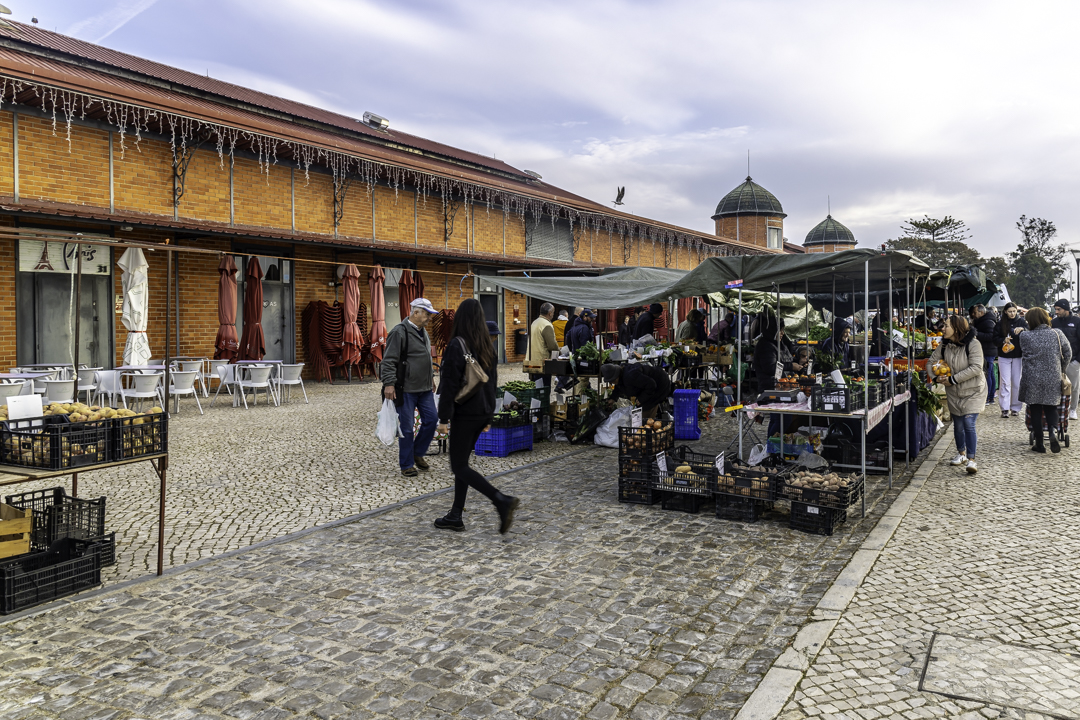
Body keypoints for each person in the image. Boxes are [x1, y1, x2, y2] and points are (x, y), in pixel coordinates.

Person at [433, 298, 519, 533]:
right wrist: (489, 416)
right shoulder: (486, 347)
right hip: (481, 413)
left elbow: (449, 385)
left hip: (465, 413)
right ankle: (455, 515)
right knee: (462, 463)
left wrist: (443, 419)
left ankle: (501, 500)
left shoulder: (457, 345)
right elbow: (493, 384)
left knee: (459, 466)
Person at [381, 297, 439, 477]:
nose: (429, 318)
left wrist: (431, 378)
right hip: (405, 389)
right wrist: (389, 384)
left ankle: (417, 452)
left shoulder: (423, 331)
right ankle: (406, 464)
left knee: (432, 420)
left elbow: (425, 358)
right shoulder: (399, 332)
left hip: (424, 388)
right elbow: (388, 361)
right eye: (427, 314)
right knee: (406, 428)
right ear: (416, 313)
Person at [926, 314, 986, 473]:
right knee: (958, 425)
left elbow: (976, 368)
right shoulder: (944, 345)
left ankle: (972, 460)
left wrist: (953, 379)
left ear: (957, 328)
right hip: (953, 392)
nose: (943, 328)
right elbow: (931, 362)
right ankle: (961, 454)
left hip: (974, 390)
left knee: (968, 422)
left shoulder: (973, 344)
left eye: (946, 325)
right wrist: (936, 378)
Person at [1020, 306, 1071, 453]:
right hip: (1053, 375)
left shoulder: (1025, 336)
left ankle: (1040, 443)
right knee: (1051, 406)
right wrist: (1061, 368)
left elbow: (1024, 353)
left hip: (1032, 376)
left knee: (1035, 408)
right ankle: (1053, 432)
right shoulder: (1057, 333)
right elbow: (1068, 353)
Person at [601, 362, 671, 419]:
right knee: (641, 409)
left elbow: (651, 385)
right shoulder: (620, 377)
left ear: (616, 376)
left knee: (645, 410)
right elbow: (618, 386)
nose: (612, 383)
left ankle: (648, 428)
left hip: (660, 383)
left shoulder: (630, 376)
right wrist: (613, 398)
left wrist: (641, 399)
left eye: (612, 381)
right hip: (648, 386)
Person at [994, 302, 1027, 418]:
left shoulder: (1022, 322)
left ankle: (1015, 407)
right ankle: (1004, 408)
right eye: (1010, 311)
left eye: (1014, 311)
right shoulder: (1000, 323)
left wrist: (1023, 329)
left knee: (1016, 382)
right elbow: (995, 339)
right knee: (1005, 382)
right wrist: (1004, 340)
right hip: (1004, 355)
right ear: (1005, 312)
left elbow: (1029, 333)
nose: (1012, 313)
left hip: (1018, 355)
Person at [1051, 299, 1080, 420]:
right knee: (1057, 386)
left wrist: (1078, 360)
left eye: (1059, 309)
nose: (1056, 312)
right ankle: (1059, 408)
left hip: (1073, 360)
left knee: (1074, 386)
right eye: (1055, 309)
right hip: (1057, 361)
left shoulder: (1077, 321)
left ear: (1066, 309)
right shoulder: (1053, 322)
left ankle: (1072, 409)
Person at [524, 302, 559, 384]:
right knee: (543, 388)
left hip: (531, 361)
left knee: (535, 387)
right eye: (553, 312)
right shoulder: (546, 325)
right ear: (550, 313)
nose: (553, 314)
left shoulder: (534, 322)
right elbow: (552, 346)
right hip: (542, 362)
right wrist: (560, 353)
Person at [970, 304, 998, 405]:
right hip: (987, 350)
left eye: (975, 312)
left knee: (987, 374)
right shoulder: (983, 320)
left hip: (988, 350)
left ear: (981, 312)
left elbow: (991, 336)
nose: (973, 314)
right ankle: (990, 396)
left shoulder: (988, 321)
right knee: (989, 373)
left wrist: (976, 334)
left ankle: (988, 397)